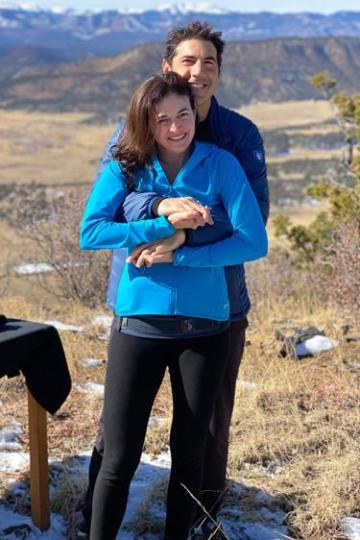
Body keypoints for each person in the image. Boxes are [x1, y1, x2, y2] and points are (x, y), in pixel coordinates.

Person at [79, 21, 269, 539]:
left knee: (200, 439)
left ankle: (199, 524)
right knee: (118, 442)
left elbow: (252, 229)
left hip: (213, 310)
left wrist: (180, 246)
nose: (199, 71)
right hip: (138, 308)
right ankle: (90, 520)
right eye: (189, 61)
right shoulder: (130, 148)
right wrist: (162, 217)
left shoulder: (233, 144)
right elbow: (100, 220)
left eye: (209, 62)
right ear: (169, 70)